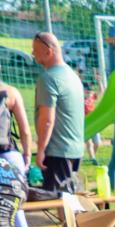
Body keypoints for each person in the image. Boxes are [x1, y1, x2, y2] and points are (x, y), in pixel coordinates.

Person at [31, 32, 83, 194]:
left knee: (59, 201)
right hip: (75, 150)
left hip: (57, 152)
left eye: (35, 50)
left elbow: (47, 119)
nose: (32, 54)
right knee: (68, 198)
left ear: (48, 52)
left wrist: (40, 150)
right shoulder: (73, 76)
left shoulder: (48, 78)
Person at [0, 74, 32, 227]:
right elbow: (25, 130)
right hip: (10, 155)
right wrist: (27, 155)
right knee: (16, 210)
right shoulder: (11, 92)